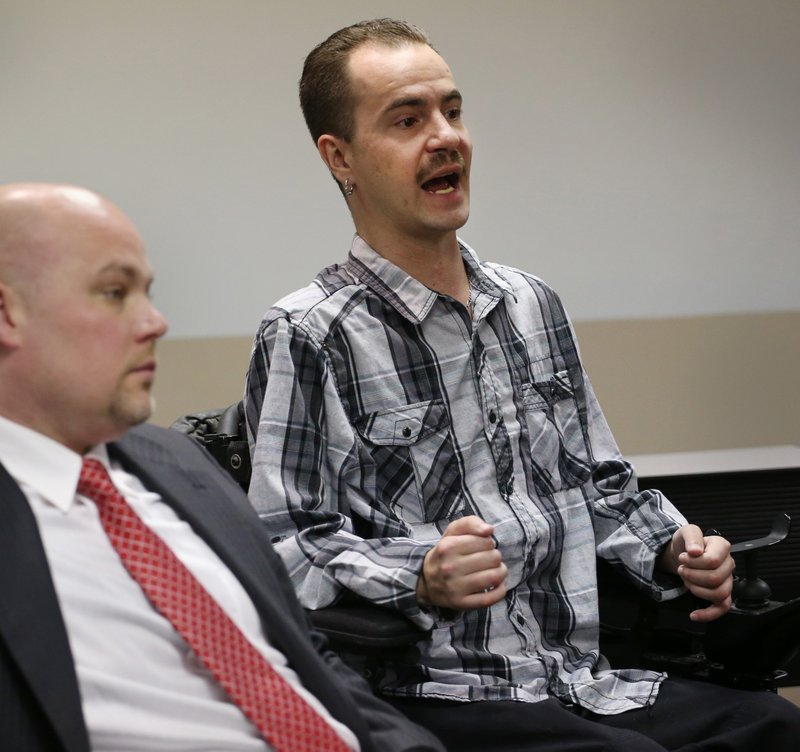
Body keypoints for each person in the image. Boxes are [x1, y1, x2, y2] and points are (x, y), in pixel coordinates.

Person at [243, 18, 800, 752]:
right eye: (408, 120)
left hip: (584, 681)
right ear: (339, 156)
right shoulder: (309, 333)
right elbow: (284, 548)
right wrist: (420, 573)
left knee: (774, 728)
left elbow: (600, 486)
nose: (446, 136)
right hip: (442, 696)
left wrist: (676, 549)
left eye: (453, 110)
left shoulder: (530, 303)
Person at [0, 182, 445, 752]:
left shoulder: (180, 463)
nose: (156, 322)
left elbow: (305, 660)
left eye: (148, 293)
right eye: (114, 292)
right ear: (7, 314)